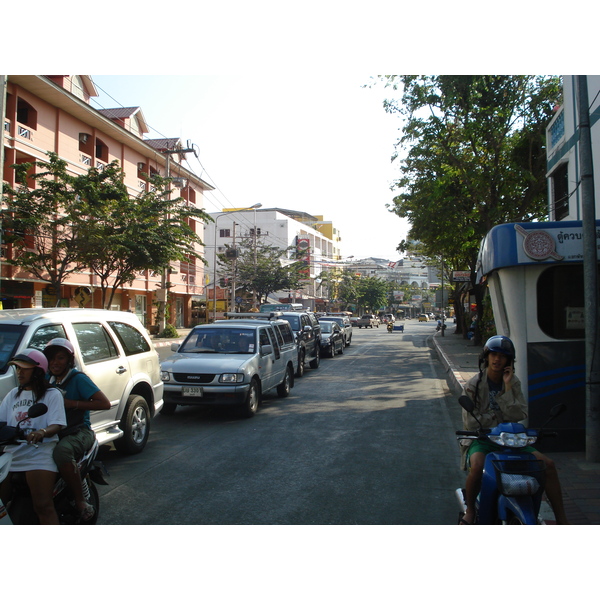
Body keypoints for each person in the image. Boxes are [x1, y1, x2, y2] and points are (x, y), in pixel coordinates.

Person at [459, 335, 570, 525]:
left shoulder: (514, 382)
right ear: (486, 357)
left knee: (548, 465)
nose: (497, 359)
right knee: (477, 467)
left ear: (509, 361)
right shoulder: (473, 385)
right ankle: (470, 510)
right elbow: (472, 423)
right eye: (493, 354)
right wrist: (500, 418)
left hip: (512, 440)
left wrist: (508, 387)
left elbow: (519, 413)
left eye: (502, 356)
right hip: (482, 439)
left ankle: (562, 520)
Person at [43, 338, 110, 522]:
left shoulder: (78, 379)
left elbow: (104, 403)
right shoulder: (46, 379)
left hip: (78, 431)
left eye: (60, 358)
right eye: (51, 358)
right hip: (52, 430)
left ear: (69, 360)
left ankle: (80, 501)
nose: (55, 363)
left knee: (62, 452)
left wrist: (71, 404)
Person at [0, 348, 66, 524]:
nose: (20, 373)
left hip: (39, 453)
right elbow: (1, 422)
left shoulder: (52, 394)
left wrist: (41, 432)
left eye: (24, 369)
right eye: (18, 368)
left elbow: (57, 423)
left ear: (37, 371)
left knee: (43, 506)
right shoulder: (12, 395)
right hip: (12, 454)